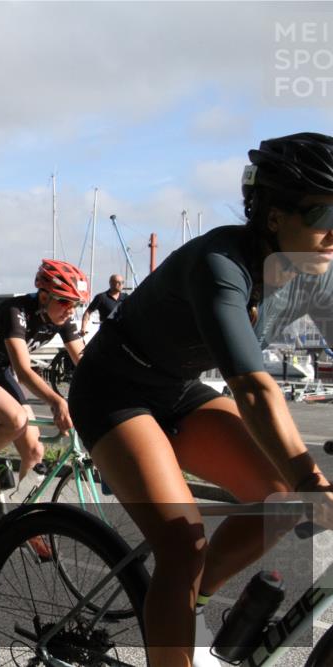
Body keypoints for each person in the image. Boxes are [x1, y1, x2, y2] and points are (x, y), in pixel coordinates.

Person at [68, 132, 333, 667]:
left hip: (176, 389)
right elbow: (254, 390)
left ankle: (189, 602)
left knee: (280, 498)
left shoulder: (309, 277)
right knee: (182, 543)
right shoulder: (220, 264)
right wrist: (314, 480)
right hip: (113, 391)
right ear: (275, 216)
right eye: (324, 213)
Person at [0, 259, 89, 517]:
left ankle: (25, 520)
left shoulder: (63, 317)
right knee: (16, 419)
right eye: (66, 301)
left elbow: (86, 362)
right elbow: (23, 371)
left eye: (77, 304)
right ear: (44, 296)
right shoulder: (16, 312)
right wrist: (57, 401)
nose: (71, 310)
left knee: (34, 450)